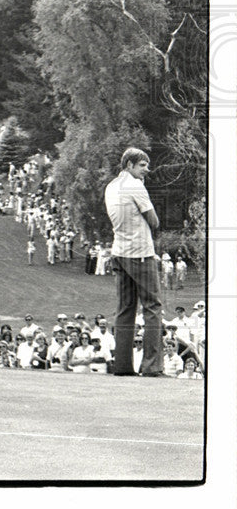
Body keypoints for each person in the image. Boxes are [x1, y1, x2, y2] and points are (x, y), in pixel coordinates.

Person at [104, 148, 165, 377]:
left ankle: (122, 366)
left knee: (125, 309)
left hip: (119, 252)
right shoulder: (135, 186)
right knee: (152, 307)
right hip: (139, 253)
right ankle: (151, 366)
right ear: (129, 165)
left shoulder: (111, 187)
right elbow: (154, 220)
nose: (146, 169)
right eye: (142, 165)